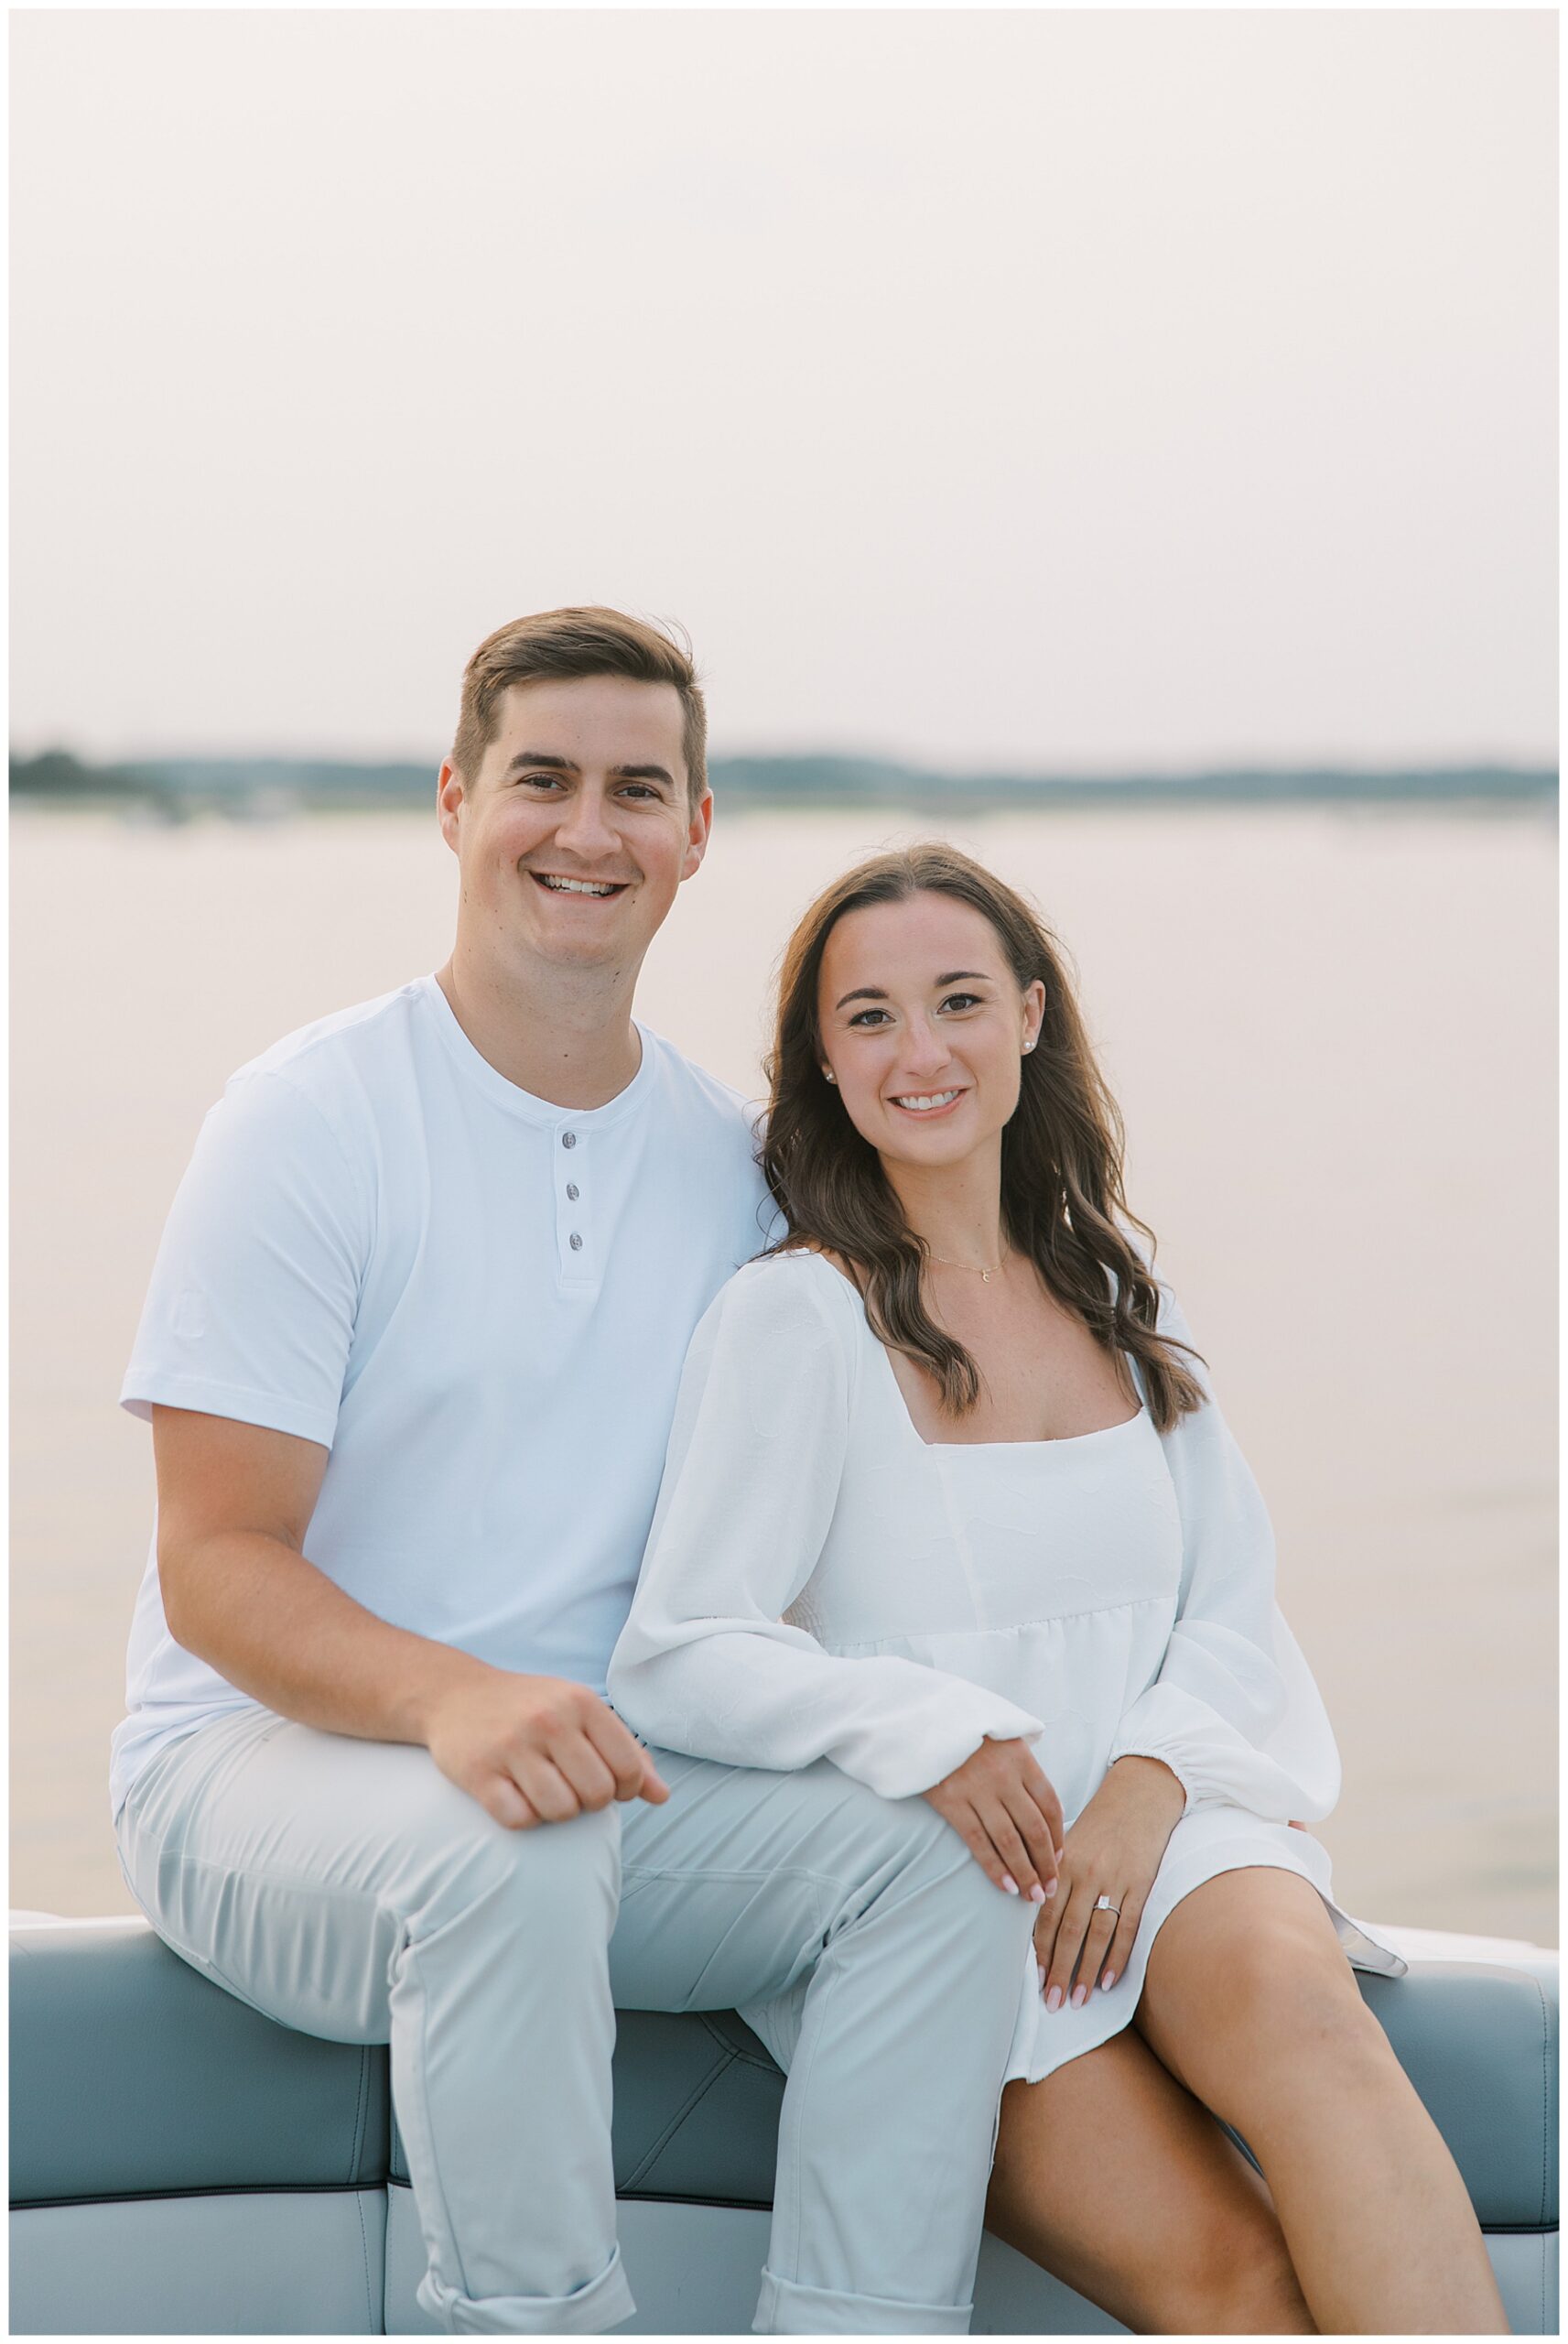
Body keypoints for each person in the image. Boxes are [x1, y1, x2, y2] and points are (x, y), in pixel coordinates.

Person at [110, 614, 1044, 2337]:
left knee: (933, 1863)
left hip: (608, 1785)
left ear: (697, 832)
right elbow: (217, 1565)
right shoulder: (308, 1119)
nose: (585, 830)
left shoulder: (738, 1166)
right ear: (457, 801)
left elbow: (853, 1536)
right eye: (540, 779)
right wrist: (453, 1700)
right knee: (511, 1847)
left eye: (637, 789)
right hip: (261, 1780)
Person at [608, 841, 1511, 2336]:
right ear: (824, 1063)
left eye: (958, 1000)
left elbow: (1230, 1619)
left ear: (1030, 1015)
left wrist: (1151, 1781)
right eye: (872, 1017)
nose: (922, 1052)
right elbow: (682, 1649)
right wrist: (934, 1731)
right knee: (1228, 2272)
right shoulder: (796, 1318)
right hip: (961, 1887)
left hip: (1172, 1821)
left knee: (1316, 2037)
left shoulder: (1120, 1313)